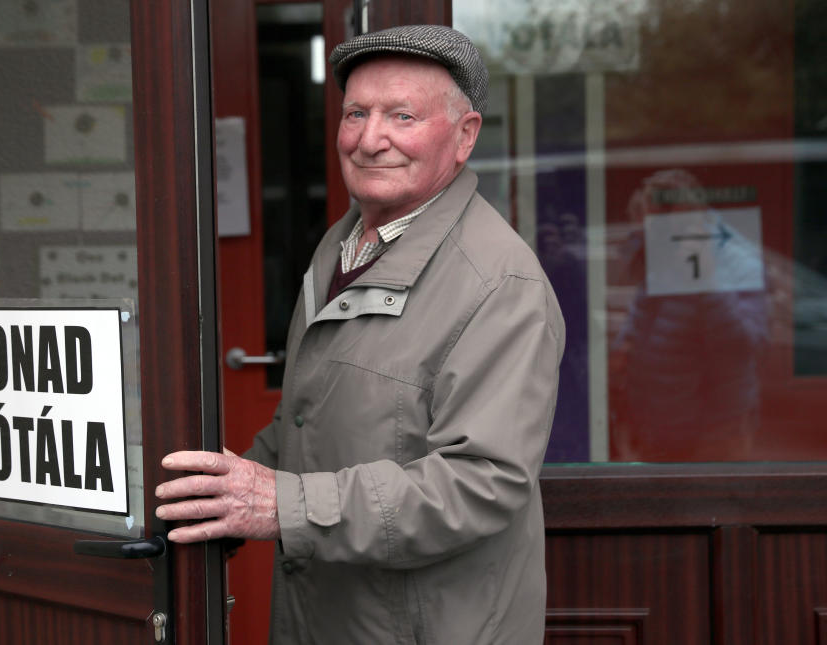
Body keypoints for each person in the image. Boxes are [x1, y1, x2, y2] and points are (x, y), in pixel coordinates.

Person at [155, 24, 565, 644]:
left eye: (403, 116)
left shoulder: (499, 284)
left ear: (465, 136)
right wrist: (228, 490)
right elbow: (313, 416)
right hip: (335, 615)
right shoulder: (346, 242)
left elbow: (482, 483)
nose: (371, 139)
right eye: (356, 114)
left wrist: (281, 504)